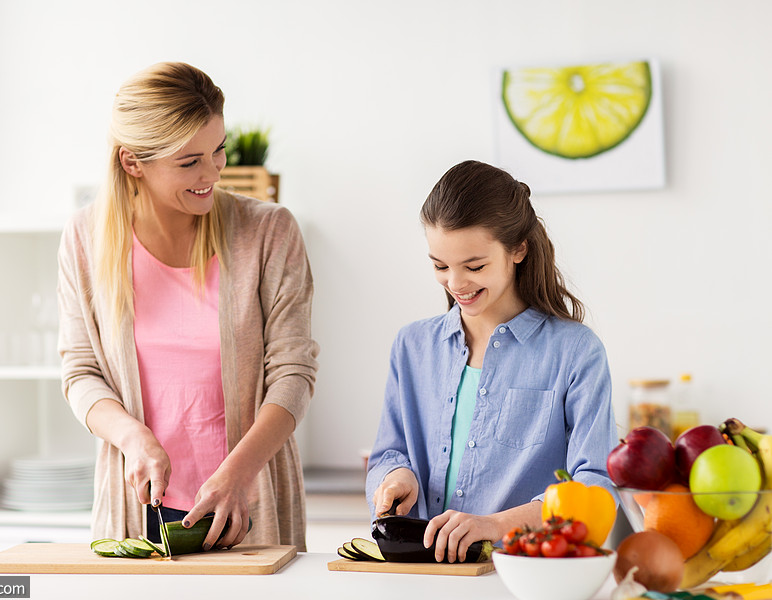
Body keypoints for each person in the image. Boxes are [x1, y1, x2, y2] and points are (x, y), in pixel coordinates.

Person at [57, 62, 319, 551]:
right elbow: (80, 371)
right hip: (138, 509)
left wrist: (237, 474)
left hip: (246, 503)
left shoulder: (269, 232)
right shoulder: (85, 239)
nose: (213, 172)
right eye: (189, 161)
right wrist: (134, 438)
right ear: (133, 162)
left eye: (218, 150)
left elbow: (293, 373)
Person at [366, 160, 616, 563]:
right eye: (440, 265)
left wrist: (496, 525)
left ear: (518, 249)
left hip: (524, 577)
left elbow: (595, 487)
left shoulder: (575, 352)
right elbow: (389, 454)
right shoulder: (412, 347)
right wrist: (395, 477)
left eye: (475, 266)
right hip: (422, 578)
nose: (456, 284)